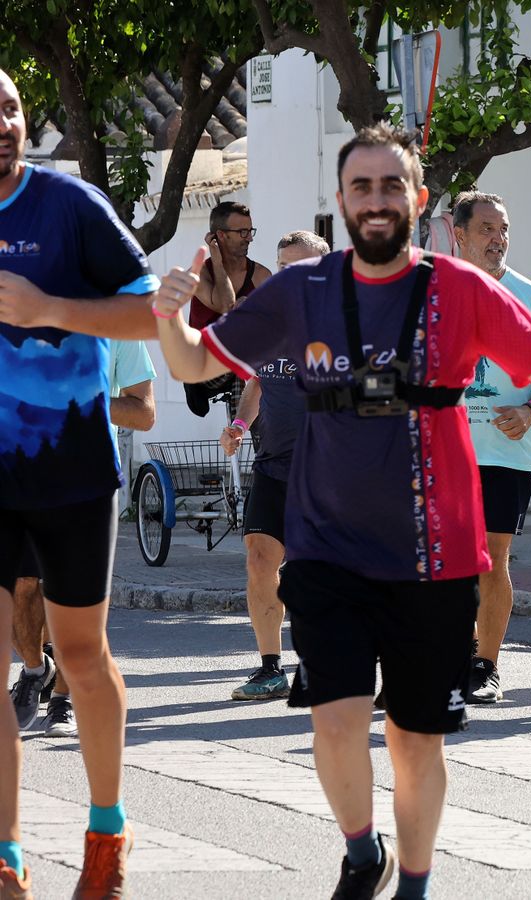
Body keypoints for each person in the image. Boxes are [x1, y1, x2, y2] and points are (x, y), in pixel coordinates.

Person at [151, 122, 531, 899]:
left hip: (436, 555)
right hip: (326, 547)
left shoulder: (462, 289)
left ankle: (415, 884)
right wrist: (170, 316)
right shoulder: (303, 290)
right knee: (335, 721)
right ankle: (363, 853)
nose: (377, 200)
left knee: (416, 743)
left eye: (393, 185)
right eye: (362, 186)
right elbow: (193, 362)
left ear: (419, 200)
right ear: (341, 202)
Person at [0, 66, 163, 899]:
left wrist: (46, 309)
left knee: (81, 656)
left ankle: (106, 836)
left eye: (10, 106)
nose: (1, 121)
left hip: (69, 473)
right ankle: (7, 854)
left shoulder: (72, 208)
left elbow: (150, 316)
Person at [447, 191, 531, 705]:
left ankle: (486, 664)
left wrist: (530, 410)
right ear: (460, 234)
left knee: (493, 560)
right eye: (487, 229)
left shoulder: (530, 297)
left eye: (504, 229)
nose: (498, 239)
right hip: (444, 452)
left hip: (505, 452)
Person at [11, 338, 156, 745]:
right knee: (19, 591)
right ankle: (38, 668)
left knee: (71, 605)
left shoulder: (115, 323)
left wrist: (77, 399)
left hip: (84, 482)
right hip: (19, 474)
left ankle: (63, 700)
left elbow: (144, 412)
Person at [218, 231, 330, 703]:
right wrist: (241, 423)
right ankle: (270, 668)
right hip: (274, 463)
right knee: (260, 561)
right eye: (285, 268)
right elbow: (257, 383)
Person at [183, 201, 270, 418]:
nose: (249, 237)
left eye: (250, 231)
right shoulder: (199, 274)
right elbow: (225, 304)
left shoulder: (260, 276)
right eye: (242, 232)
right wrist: (217, 261)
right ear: (220, 235)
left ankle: (242, 437)